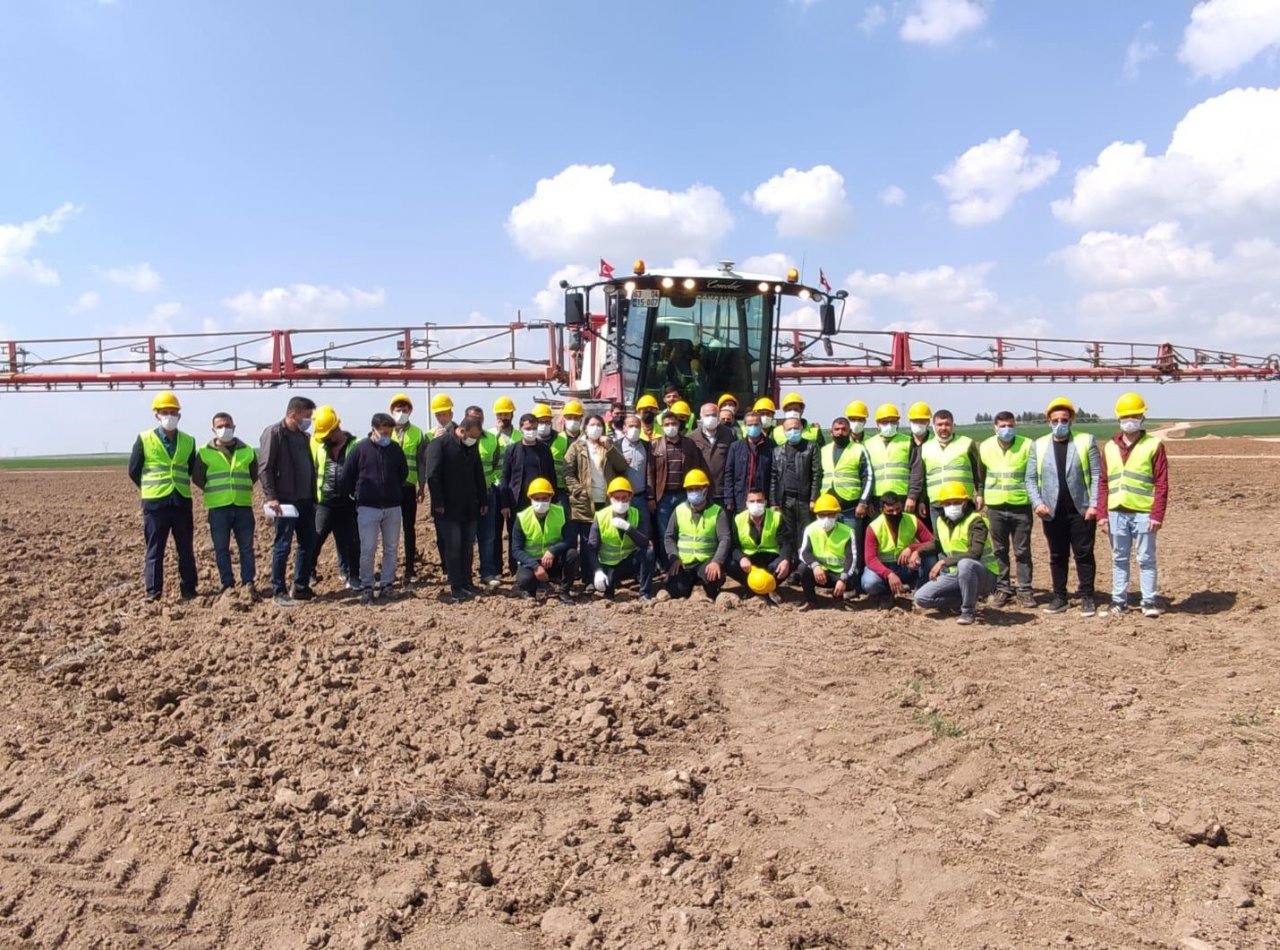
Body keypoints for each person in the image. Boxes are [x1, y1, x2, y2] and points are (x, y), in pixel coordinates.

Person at [1025, 396, 1102, 617]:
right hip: (1052, 511)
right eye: (1055, 420)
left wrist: (1094, 505)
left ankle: (1087, 595)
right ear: (1048, 420)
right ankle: (1060, 597)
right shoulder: (1038, 445)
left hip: (1081, 510)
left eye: (1064, 420)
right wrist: (1037, 503)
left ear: (1071, 421)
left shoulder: (1086, 441)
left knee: (1084, 554)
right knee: (1057, 555)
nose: (1060, 424)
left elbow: (1097, 475)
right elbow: (1030, 478)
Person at [1099, 392, 1169, 619]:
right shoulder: (1109, 446)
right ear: (1119, 418)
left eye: (1135, 415)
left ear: (1142, 417)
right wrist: (1102, 515)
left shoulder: (1153, 445)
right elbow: (1102, 482)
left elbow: (1162, 482)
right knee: (1119, 559)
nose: (1130, 419)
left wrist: (1157, 514)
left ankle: (1148, 601)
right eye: (1126, 415)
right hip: (1116, 512)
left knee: (1146, 559)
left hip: (1144, 513)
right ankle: (1119, 602)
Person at [129, 391, 199, 602]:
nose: (170, 416)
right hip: (156, 504)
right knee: (155, 550)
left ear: (179, 415)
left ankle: (189, 589)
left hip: (180, 502)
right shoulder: (145, 438)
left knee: (185, 549)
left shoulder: (188, 440)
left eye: (173, 412)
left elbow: (190, 468)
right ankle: (153, 592)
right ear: (157, 415)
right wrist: (151, 490)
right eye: (165, 412)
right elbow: (134, 470)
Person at [338, 413, 408, 604]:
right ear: (374, 429)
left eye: (389, 433)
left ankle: (387, 585)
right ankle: (367, 585)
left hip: (392, 507)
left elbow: (403, 473)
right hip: (368, 507)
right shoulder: (360, 450)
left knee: (391, 548)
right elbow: (347, 476)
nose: (386, 436)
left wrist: (393, 490)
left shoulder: (394, 449)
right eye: (383, 432)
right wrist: (357, 494)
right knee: (368, 548)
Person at [259, 395, 318, 607]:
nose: (308, 420)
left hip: (305, 499)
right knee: (282, 544)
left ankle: (300, 587)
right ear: (293, 414)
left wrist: (313, 496)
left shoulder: (303, 437)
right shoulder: (274, 433)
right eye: (306, 416)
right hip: (284, 500)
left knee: (307, 543)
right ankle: (279, 590)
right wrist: (271, 497)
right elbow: (265, 468)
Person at [913, 482, 999, 625]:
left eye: (957, 502)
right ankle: (960, 601)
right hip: (956, 574)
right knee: (921, 597)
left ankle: (968, 611)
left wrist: (943, 562)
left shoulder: (976, 521)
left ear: (966, 502)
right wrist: (918, 552)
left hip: (983, 575)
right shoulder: (941, 521)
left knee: (966, 564)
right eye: (948, 503)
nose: (952, 506)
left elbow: (975, 553)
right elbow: (937, 544)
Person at [425, 414, 488, 603]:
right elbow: (433, 476)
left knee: (468, 546)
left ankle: (467, 581)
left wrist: (483, 500)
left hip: (469, 506)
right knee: (453, 546)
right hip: (448, 508)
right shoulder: (439, 445)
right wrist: (438, 503)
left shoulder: (471, 446)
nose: (474, 440)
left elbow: (478, 474)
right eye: (472, 436)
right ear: (461, 430)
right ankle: (456, 585)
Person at [193, 410, 258, 592]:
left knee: (246, 547)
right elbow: (198, 478)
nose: (224, 429)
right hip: (218, 508)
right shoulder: (205, 452)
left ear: (234, 427)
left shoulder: (248, 451)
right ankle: (227, 584)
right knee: (221, 548)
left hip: (243, 506)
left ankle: (248, 582)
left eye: (227, 425)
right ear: (213, 429)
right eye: (220, 426)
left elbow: (253, 475)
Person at [980, 411, 1036, 608]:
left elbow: (1034, 475)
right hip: (994, 506)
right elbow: (982, 474)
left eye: (1010, 426)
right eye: (1002, 426)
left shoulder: (1028, 445)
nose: (1006, 430)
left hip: (1021, 506)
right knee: (999, 550)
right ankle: (1003, 588)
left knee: (1022, 551)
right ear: (994, 427)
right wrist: (980, 495)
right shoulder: (985, 447)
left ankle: (1025, 590)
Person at [563, 413, 629, 576]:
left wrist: (610, 448)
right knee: (588, 542)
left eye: (599, 425)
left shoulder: (608, 446)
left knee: (604, 540)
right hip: (585, 501)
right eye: (592, 425)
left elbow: (621, 466)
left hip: (606, 500)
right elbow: (567, 471)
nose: (595, 428)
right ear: (585, 428)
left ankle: (604, 572)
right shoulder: (576, 447)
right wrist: (578, 490)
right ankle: (587, 576)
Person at [647, 409, 706, 570]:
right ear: (662, 426)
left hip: (684, 495)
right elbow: (650, 473)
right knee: (665, 533)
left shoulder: (689, 444)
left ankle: (686, 564)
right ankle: (668, 565)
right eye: (667, 424)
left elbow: (697, 467)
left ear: (679, 425)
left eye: (673, 423)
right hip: (663, 496)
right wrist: (651, 497)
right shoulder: (655, 445)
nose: (671, 427)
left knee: (684, 530)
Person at [309, 406, 360, 591]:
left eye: (327, 435)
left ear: (336, 428)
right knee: (316, 537)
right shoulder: (321, 449)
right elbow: (314, 473)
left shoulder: (355, 446)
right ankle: (309, 572)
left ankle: (353, 575)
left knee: (353, 540)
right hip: (325, 502)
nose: (325, 439)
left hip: (349, 502)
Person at [820, 416, 873, 590]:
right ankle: (834, 582)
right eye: (837, 429)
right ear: (831, 431)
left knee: (853, 547)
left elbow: (869, 477)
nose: (840, 432)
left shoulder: (859, 449)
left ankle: (854, 585)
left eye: (844, 429)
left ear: (849, 431)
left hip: (851, 507)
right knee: (833, 547)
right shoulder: (824, 450)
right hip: (828, 510)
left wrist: (863, 502)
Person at [861, 491, 935, 607]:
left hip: (907, 567)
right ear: (882, 510)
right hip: (884, 569)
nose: (895, 513)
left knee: (930, 557)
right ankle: (887, 593)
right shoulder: (874, 527)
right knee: (869, 582)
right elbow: (870, 560)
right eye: (890, 511)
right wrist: (889, 574)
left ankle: (919, 592)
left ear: (901, 505)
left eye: (898, 509)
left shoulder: (912, 520)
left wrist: (913, 549)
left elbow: (932, 543)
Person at [664, 469, 730, 599]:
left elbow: (725, 538)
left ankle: (705, 586)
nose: (694, 492)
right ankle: (692, 586)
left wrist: (717, 561)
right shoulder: (679, 510)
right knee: (675, 590)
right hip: (684, 562)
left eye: (697, 489)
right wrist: (674, 558)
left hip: (706, 561)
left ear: (705, 489)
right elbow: (669, 536)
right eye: (690, 489)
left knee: (713, 581)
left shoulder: (717, 511)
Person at [587, 477, 655, 600]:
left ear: (630, 497)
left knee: (649, 553)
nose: (620, 502)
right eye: (616, 498)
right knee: (608, 592)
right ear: (610, 498)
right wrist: (597, 571)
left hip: (628, 563)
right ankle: (609, 589)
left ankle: (644, 594)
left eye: (624, 498)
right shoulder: (601, 516)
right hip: (608, 565)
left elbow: (645, 543)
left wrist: (628, 528)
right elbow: (591, 549)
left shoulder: (636, 514)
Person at [510, 477, 577, 604]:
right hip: (532, 562)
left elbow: (571, 539)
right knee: (525, 580)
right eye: (537, 499)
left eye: (545, 498)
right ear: (530, 499)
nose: (541, 502)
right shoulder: (522, 517)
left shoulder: (561, 512)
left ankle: (564, 591)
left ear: (551, 497)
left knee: (572, 554)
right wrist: (535, 566)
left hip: (554, 560)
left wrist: (552, 551)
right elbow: (516, 550)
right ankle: (530, 590)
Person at [770, 416, 820, 578]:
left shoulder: (811, 447)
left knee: (804, 535)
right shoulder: (777, 451)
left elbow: (816, 475)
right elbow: (773, 478)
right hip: (785, 500)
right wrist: (773, 501)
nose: (793, 431)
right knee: (788, 535)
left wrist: (813, 498)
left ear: (802, 429)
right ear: (783, 432)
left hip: (804, 500)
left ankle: (803, 569)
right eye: (789, 429)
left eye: (796, 428)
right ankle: (790, 569)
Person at [387, 393, 427, 585]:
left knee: (409, 529)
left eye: (404, 410)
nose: (401, 413)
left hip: (408, 487)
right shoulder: (386, 431)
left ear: (410, 411)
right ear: (391, 412)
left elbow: (421, 462)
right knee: (389, 530)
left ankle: (410, 567)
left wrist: (422, 486)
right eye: (398, 410)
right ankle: (389, 568)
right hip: (389, 489)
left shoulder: (418, 433)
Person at [465, 405, 506, 590]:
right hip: (467, 496)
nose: (477, 421)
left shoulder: (491, 439)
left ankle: (487, 573)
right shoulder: (461, 438)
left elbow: (498, 464)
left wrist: (494, 483)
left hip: (488, 494)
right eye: (473, 417)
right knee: (466, 537)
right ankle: (465, 575)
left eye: (480, 418)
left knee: (488, 536)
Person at [727, 487, 792, 595]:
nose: (756, 504)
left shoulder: (776, 517)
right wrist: (741, 558)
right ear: (746, 504)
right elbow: (734, 545)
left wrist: (785, 559)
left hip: (770, 558)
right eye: (752, 501)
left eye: (759, 501)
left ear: (765, 502)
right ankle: (751, 587)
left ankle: (770, 586)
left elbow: (785, 542)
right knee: (728, 563)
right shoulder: (738, 519)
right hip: (749, 561)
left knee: (790, 561)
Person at [797, 494, 854, 610]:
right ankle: (811, 601)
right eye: (822, 515)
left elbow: (851, 558)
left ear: (837, 514)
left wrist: (843, 579)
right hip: (821, 574)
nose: (826, 519)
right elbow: (804, 552)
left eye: (830, 515)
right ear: (817, 515)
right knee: (803, 569)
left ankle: (839, 599)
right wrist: (815, 566)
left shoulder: (848, 532)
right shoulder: (810, 529)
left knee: (853, 576)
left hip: (840, 575)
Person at [921, 409, 984, 513]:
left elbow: (978, 473)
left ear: (953, 425)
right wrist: (922, 501)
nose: (944, 428)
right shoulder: (926, 447)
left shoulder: (967, 443)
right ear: (934, 426)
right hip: (937, 504)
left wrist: (980, 494)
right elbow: (922, 478)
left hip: (962, 502)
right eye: (940, 425)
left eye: (947, 424)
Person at [866, 403, 924, 510]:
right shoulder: (868, 444)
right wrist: (867, 500)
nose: (889, 425)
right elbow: (865, 476)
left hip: (902, 497)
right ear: (877, 424)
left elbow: (916, 471)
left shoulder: (908, 441)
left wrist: (912, 497)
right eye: (884, 422)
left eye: (892, 421)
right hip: (876, 498)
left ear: (898, 422)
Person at [501, 412, 556, 517]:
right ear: (521, 428)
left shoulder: (545, 449)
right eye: (528, 429)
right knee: (516, 532)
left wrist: (552, 500)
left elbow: (551, 476)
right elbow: (505, 478)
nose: (532, 431)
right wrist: (505, 505)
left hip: (540, 500)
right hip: (517, 501)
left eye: (534, 428)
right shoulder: (512, 450)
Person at [723, 409, 773, 514]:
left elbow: (774, 476)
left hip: (762, 498)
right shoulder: (736, 447)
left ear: (761, 425)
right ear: (745, 426)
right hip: (740, 498)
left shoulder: (771, 446)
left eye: (756, 424)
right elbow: (729, 474)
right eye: (750, 425)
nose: (753, 427)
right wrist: (729, 498)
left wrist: (773, 501)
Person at [490, 396, 517, 577]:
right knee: (494, 532)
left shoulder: (520, 436)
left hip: (514, 490)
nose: (503, 417)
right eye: (500, 414)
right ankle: (496, 568)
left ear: (512, 414)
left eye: (506, 413)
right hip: (495, 488)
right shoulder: (489, 436)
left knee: (514, 530)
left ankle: (515, 567)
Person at [691, 402, 733, 505]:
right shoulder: (692, 437)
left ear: (719, 416)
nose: (711, 418)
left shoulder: (729, 434)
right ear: (701, 417)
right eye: (707, 415)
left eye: (714, 415)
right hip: (701, 492)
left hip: (722, 493)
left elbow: (733, 465)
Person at [617, 413, 651, 513]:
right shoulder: (616, 446)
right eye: (631, 426)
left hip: (642, 497)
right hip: (622, 498)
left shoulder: (647, 446)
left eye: (637, 426)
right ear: (624, 428)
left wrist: (650, 497)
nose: (634, 429)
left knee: (644, 527)